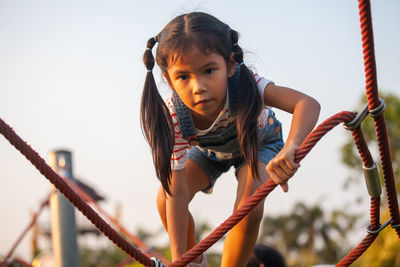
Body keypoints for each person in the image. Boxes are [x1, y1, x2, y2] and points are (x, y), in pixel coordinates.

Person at [140, 12, 320, 267]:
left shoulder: (246, 85)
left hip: (257, 143)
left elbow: (306, 104)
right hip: (209, 151)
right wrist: (180, 257)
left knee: (249, 207)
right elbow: (177, 195)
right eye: (183, 77)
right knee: (165, 198)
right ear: (169, 79)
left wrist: (291, 147)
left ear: (230, 64)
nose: (198, 86)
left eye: (209, 70)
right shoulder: (174, 119)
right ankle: (193, 263)